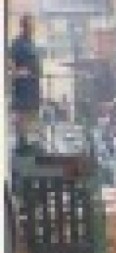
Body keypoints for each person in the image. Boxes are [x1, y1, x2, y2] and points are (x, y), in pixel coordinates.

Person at [9, 14, 43, 152]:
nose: (33, 27)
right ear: (24, 26)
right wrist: (17, 72)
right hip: (23, 86)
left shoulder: (31, 42)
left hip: (33, 85)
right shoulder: (17, 43)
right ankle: (21, 144)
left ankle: (29, 142)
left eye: (33, 24)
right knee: (22, 114)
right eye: (30, 24)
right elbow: (9, 62)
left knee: (32, 113)